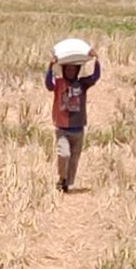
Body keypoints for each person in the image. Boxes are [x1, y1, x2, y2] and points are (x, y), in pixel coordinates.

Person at [45, 50, 100, 193]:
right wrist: (50, 66)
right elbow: (48, 85)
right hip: (62, 128)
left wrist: (96, 60)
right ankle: (61, 177)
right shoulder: (58, 83)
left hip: (78, 128)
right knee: (64, 154)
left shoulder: (82, 83)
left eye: (73, 69)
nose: (70, 71)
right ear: (63, 70)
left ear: (77, 70)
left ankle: (66, 184)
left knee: (74, 159)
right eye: (67, 69)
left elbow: (95, 77)